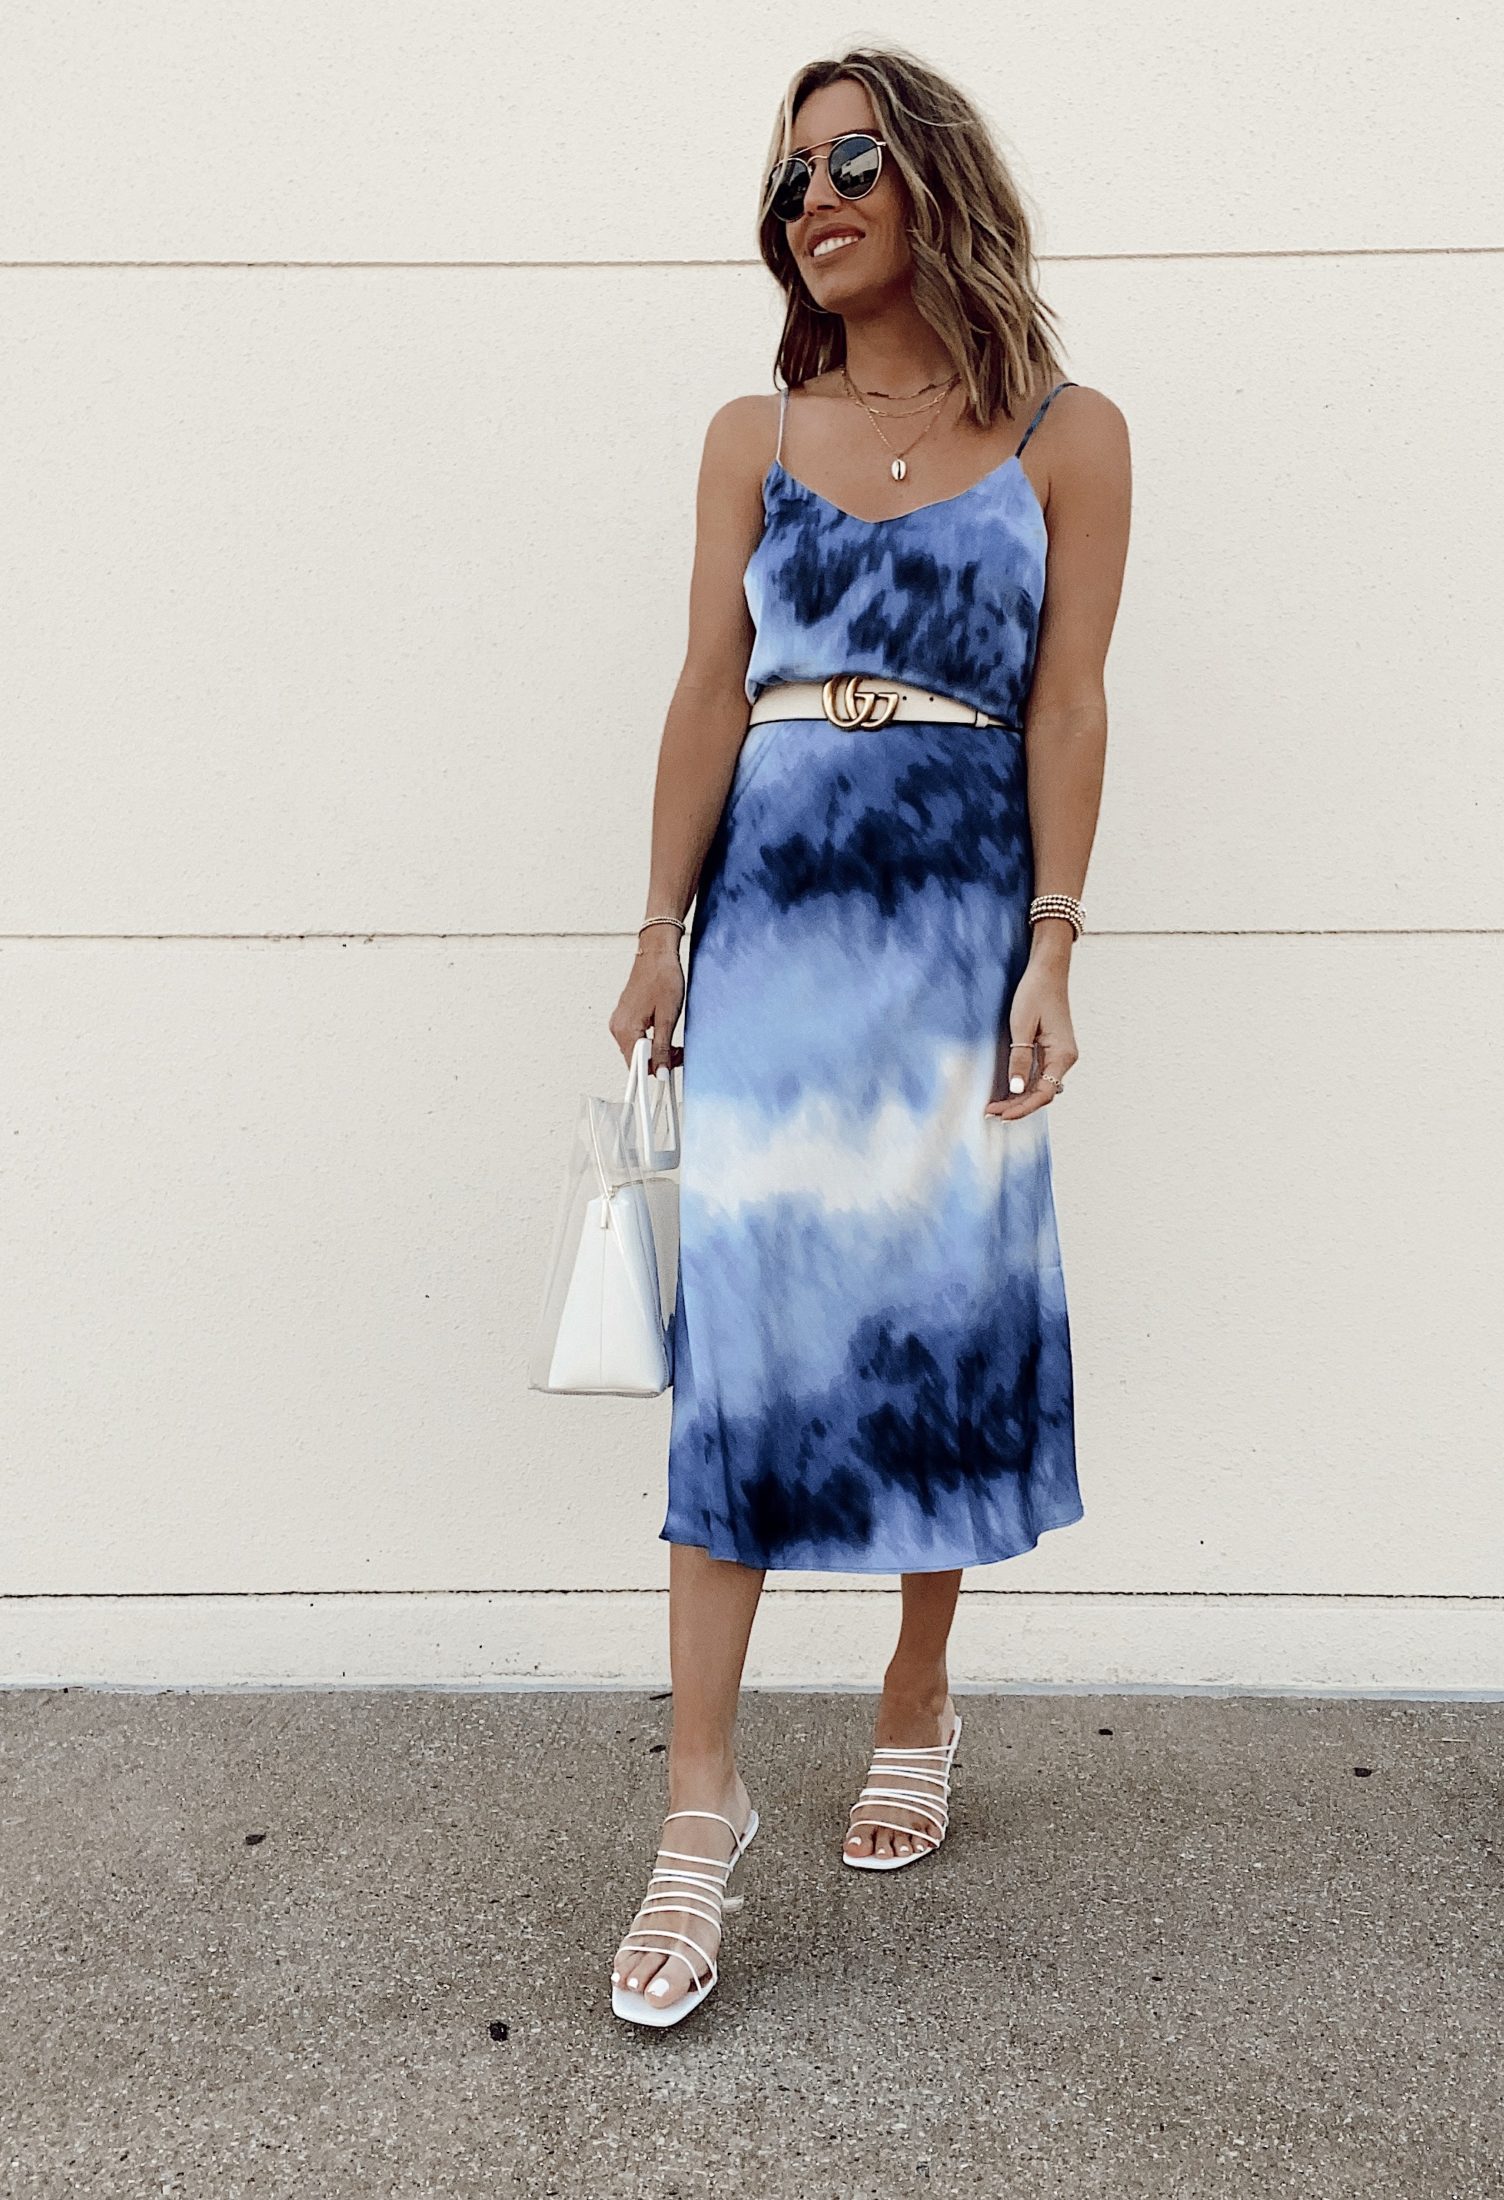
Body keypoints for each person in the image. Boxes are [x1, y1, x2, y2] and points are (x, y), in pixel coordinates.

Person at [604, 45, 1131, 2027]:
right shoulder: (753, 430)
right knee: (731, 1351)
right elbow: (706, 690)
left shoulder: (1070, 434)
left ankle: (916, 1688)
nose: (814, 198)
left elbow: (1070, 703)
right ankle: (698, 1806)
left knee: (935, 1316)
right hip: (774, 937)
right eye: (789, 176)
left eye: (850, 164)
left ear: (934, 188)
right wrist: (656, 923)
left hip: (954, 933)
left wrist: (1056, 941)